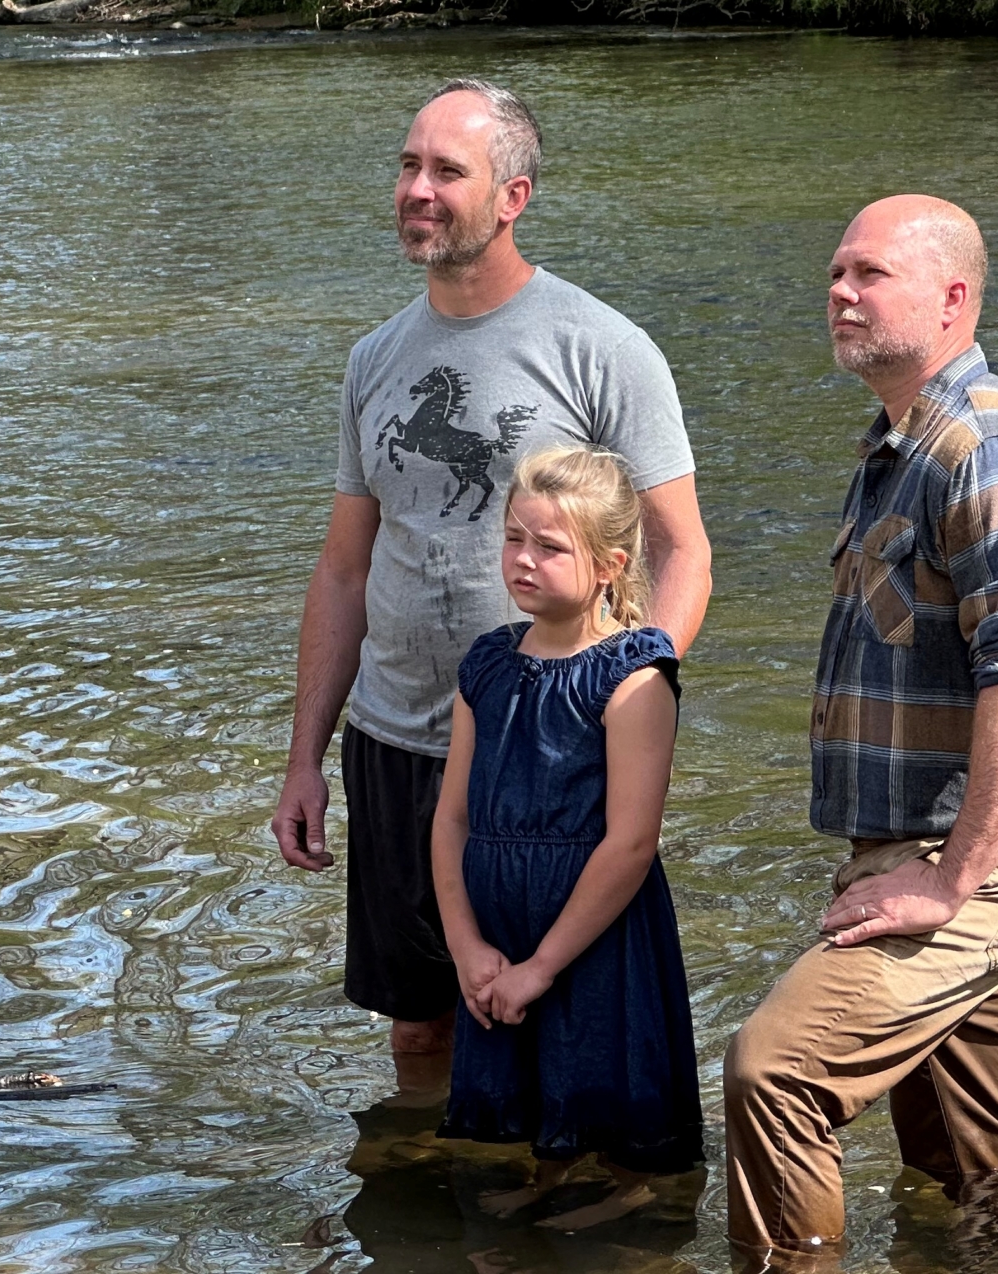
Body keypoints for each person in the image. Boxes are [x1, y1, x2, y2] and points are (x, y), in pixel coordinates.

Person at [273, 79, 712, 1076]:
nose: (416, 190)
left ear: (512, 197)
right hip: (392, 738)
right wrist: (306, 757)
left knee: (555, 1023)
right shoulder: (374, 359)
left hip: (543, 746)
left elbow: (682, 548)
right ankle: (423, 1178)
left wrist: (620, 699)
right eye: (408, 165)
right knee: (419, 1025)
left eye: (447, 171)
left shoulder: (603, 349)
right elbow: (343, 569)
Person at [721, 195, 998, 1268]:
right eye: (835, 274)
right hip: (930, 849)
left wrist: (950, 880)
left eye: (869, 274)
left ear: (951, 298)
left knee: (775, 1072)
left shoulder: (989, 448)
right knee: (971, 1164)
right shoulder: (902, 446)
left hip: (980, 860)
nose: (840, 292)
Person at [430, 445, 703, 1231]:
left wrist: (543, 965)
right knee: (531, 1071)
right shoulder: (487, 665)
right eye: (514, 538)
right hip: (497, 918)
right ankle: (551, 1170)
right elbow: (451, 818)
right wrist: (466, 947)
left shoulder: (633, 677)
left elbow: (631, 842)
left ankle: (631, 1185)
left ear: (611, 565)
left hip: (593, 924)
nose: (522, 559)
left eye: (549, 547)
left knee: (602, 1054)